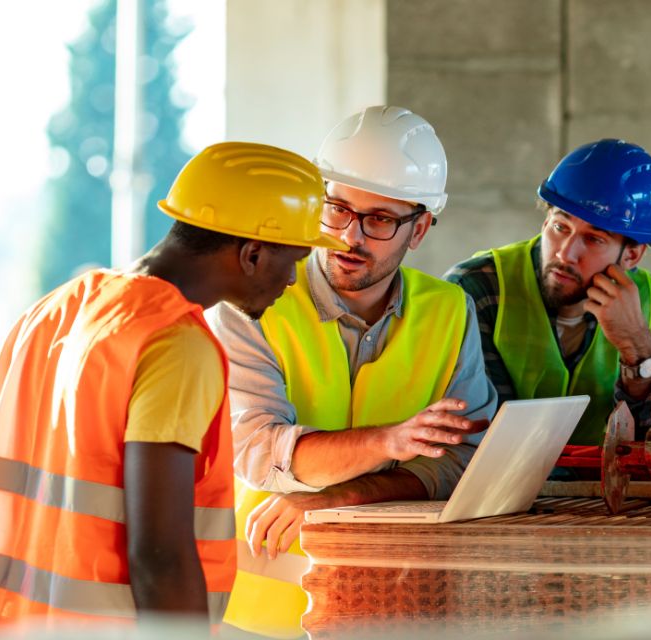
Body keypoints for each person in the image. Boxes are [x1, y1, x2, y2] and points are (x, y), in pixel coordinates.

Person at [0, 142, 344, 639]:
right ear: (252, 253)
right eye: (292, 260)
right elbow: (160, 559)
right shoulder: (175, 343)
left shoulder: (54, 310)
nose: (292, 280)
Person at [208, 106, 497, 638]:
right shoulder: (250, 302)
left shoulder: (449, 311)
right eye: (336, 208)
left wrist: (341, 497)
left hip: (393, 605)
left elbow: (464, 465)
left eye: (380, 219)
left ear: (421, 228)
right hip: (254, 610)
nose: (349, 235)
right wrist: (391, 443)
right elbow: (256, 453)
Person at [446, 138, 651, 447]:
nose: (565, 254)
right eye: (560, 228)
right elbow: (481, 436)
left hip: (611, 494)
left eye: (593, 239)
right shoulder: (477, 289)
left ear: (631, 256)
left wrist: (638, 349)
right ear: (546, 219)